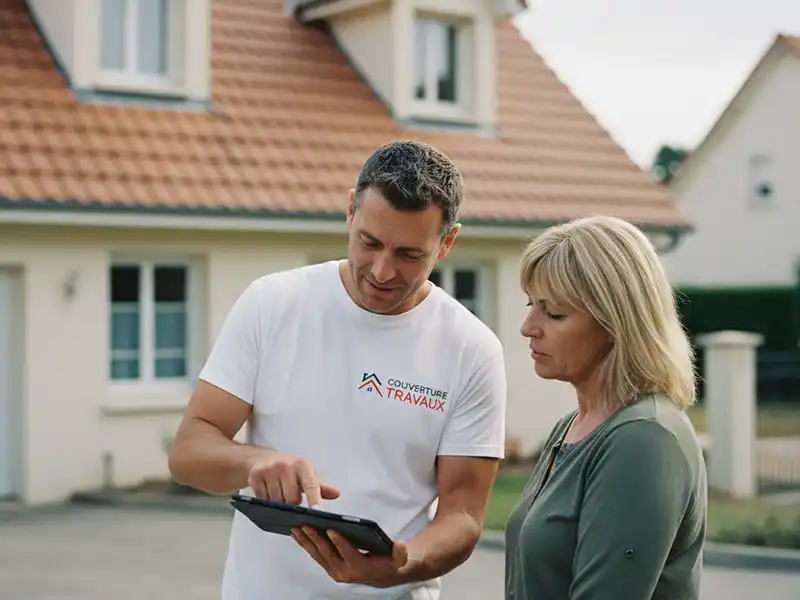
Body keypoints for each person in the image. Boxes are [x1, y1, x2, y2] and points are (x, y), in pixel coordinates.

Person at [168, 140, 508, 600]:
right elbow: (188, 453)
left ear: (447, 242)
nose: (382, 271)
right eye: (370, 243)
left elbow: (463, 516)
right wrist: (255, 462)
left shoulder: (472, 349)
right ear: (350, 210)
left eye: (409, 255)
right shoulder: (272, 304)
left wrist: (401, 563)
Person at [504, 215, 707, 600]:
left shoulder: (644, 439)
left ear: (616, 322)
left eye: (554, 313)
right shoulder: (572, 426)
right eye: (532, 305)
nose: (528, 327)